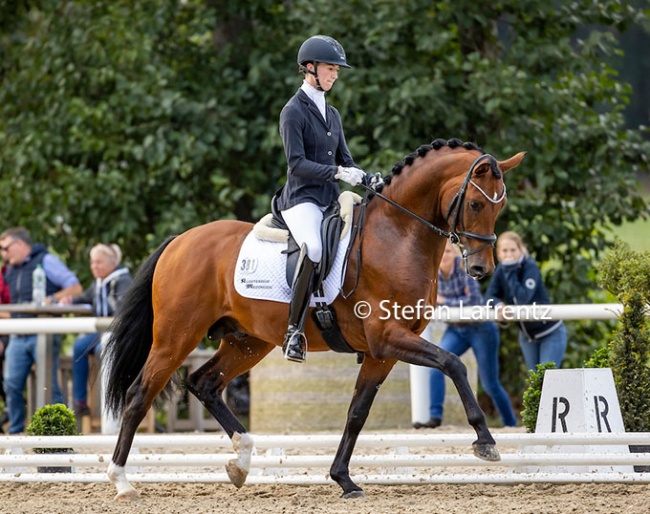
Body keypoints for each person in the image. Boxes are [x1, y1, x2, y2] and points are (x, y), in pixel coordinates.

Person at [276, 35, 377, 364]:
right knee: (316, 248)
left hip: (331, 200)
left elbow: (346, 159)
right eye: (330, 69)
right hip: (301, 199)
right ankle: (294, 330)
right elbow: (297, 164)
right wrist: (337, 173)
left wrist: (364, 176)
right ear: (309, 68)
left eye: (336, 70)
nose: (335, 75)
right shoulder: (293, 112)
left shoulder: (332, 113)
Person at [415, 240, 517, 429]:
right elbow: (426, 300)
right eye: (441, 252)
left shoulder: (464, 268)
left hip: (480, 328)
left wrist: (443, 300)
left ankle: (511, 423)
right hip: (456, 329)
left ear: (454, 253)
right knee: (436, 366)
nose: (443, 255)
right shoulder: (433, 273)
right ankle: (435, 418)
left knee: (490, 384)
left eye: (447, 251)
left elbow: (471, 301)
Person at [0, 227, 82, 434]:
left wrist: (52, 299)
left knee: (49, 386)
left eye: (5, 248)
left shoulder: (46, 261)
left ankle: (60, 432)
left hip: (42, 333)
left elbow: (75, 287)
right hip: (18, 334)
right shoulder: (10, 269)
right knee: (11, 385)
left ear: (20, 244)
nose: (3, 253)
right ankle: (16, 433)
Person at [58, 243, 132, 418]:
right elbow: (86, 298)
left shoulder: (122, 281)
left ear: (112, 264)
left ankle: (110, 406)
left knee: (103, 350)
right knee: (79, 347)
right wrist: (70, 300)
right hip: (100, 331)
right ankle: (79, 401)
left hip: (118, 332)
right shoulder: (98, 283)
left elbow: (123, 309)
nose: (94, 267)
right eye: (92, 263)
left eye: (99, 262)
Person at [484, 231, 567, 370]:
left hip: (550, 332)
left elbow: (523, 298)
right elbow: (488, 296)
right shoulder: (501, 270)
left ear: (520, 250)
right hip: (527, 336)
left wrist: (510, 270)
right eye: (504, 251)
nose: (509, 254)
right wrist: (499, 306)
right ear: (498, 253)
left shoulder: (530, 267)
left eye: (513, 250)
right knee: (534, 382)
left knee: (546, 379)